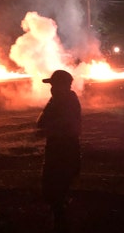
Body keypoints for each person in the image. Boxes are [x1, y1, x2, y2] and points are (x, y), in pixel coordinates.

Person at [37, 70, 81, 232]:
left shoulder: (66, 101)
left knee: (56, 187)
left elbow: (61, 125)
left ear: (63, 85)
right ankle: (60, 216)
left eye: (54, 85)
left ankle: (60, 221)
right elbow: (42, 123)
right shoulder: (59, 100)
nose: (51, 88)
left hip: (63, 150)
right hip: (59, 148)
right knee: (54, 188)